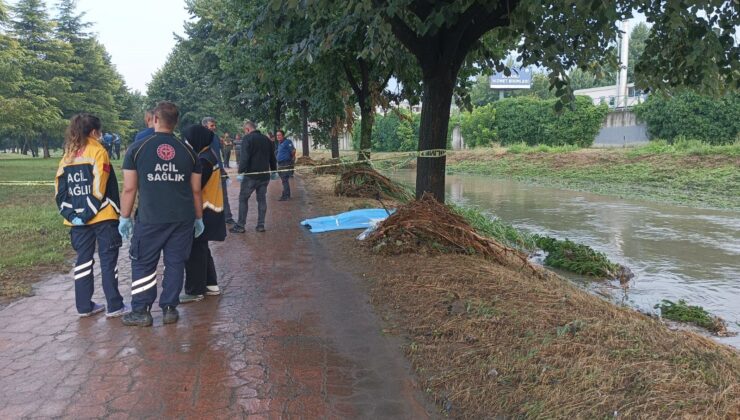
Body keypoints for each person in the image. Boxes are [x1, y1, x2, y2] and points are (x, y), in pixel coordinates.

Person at [119, 101, 204, 327]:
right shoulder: (189, 152)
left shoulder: (137, 149)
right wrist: (199, 218)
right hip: (182, 218)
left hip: (150, 218)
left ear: (155, 119)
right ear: (175, 123)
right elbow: (196, 189)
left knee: (144, 263)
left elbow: (129, 188)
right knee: (175, 263)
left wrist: (124, 217)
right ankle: (169, 309)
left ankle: (141, 311)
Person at [54, 113, 128, 318]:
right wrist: (88, 213)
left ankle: (84, 306)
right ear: (95, 132)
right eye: (101, 131)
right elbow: (99, 187)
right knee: (108, 261)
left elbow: (59, 189)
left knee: (83, 261)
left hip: (76, 220)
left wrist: (71, 213)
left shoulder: (68, 155)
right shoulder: (98, 151)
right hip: (102, 216)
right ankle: (115, 306)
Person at [180, 125, 227, 303]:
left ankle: (195, 290)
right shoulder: (208, 155)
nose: (187, 143)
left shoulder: (204, 160)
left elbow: (195, 188)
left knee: (193, 252)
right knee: (202, 249)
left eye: (188, 140)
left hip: (205, 210)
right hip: (211, 209)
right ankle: (210, 284)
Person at [230, 120, 276, 233]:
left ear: (247, 129)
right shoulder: (267, 140)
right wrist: (274, 171)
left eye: (244, 131)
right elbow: (272, 157)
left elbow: (244, 157)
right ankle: (261, 225)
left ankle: (240, 226)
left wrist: (241, 172)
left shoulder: (247, 139)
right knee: (261, 200)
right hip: (264, 176)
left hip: (251, 176)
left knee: (243, 199)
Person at [202, 117, 236, 225]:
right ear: (205, 126)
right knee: (205, 195)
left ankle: (227, 217)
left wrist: (222, 169)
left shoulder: (215, 137)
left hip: (219, 171)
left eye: (214, 125)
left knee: (224, 195)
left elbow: (217, 155)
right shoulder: (200, 138)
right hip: (207, 172)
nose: (214, 127)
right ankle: (205, 219)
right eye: (212, 125)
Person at [275, 129, 296, 201]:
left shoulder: (287, 142)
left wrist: (292, 158)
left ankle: (286, 196)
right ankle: (286, 194)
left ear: (283, 135)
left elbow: (293, 150)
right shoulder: (279, 143)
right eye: (277, 135)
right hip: (280, 164)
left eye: (279, 135)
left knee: (284, 180)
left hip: (285, 163)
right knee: (283, 180)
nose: (278, 136)